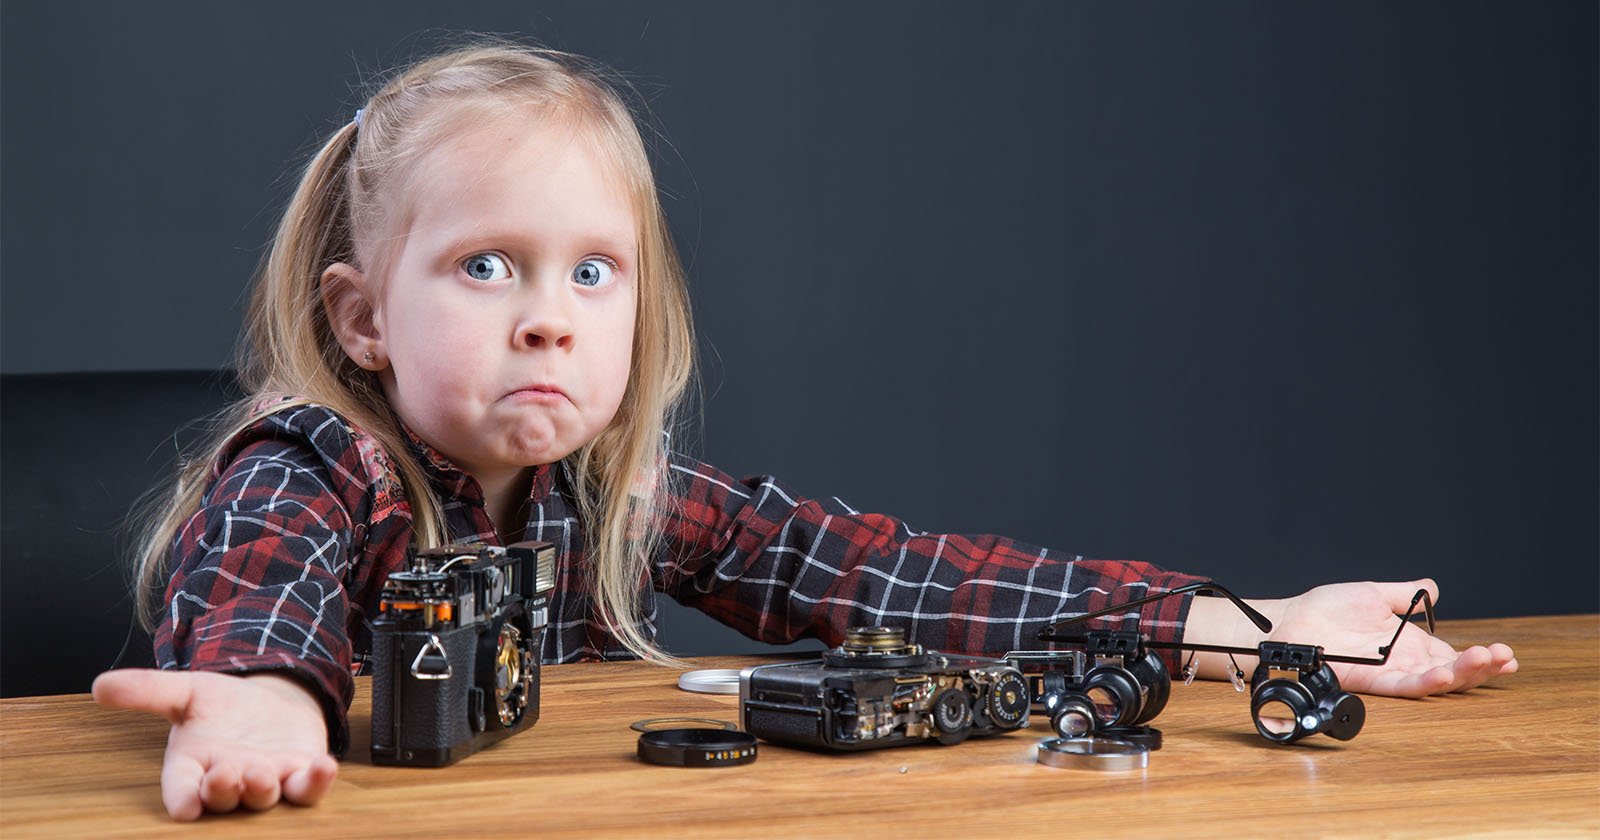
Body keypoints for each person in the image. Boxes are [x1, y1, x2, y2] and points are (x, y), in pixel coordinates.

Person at [90, 42, 1517, 821]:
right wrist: (263, 694)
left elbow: (900, 585)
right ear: (360, 322)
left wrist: (1249, 623)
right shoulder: (319, 466)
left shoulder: (618, 489)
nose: (549, 318)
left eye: (592, 271)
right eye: (484, 267)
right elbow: (255, 584)